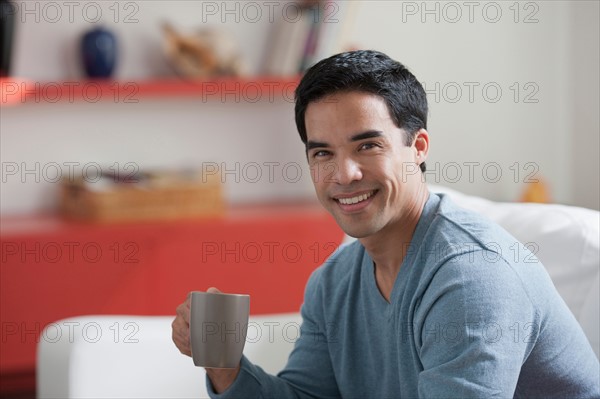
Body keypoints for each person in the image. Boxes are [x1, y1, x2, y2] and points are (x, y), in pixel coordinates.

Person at [172, 50, 600, 398]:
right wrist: (225, 368)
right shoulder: (334, 281)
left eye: (368, 145)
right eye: (322, 154)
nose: (344, 174)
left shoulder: (473, 278)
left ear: (418, 148)